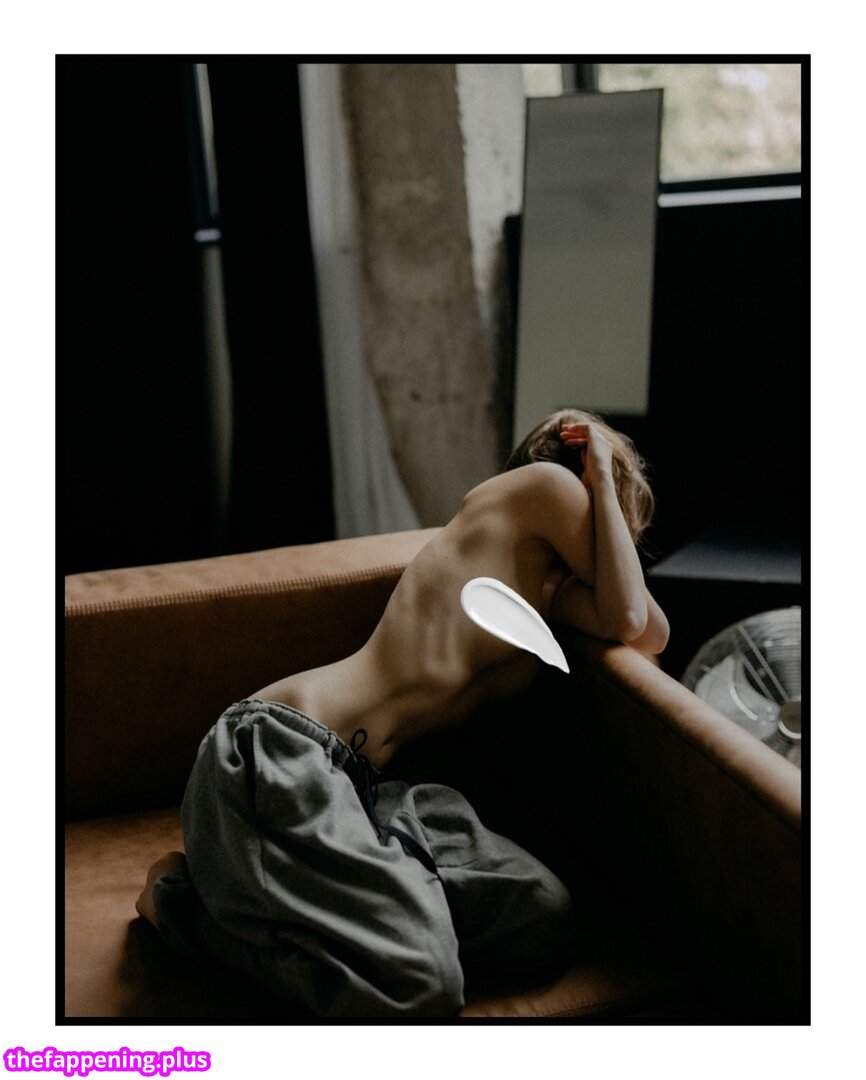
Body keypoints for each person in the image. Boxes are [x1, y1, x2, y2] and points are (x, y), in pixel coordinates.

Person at [136, 409, 669, 1017]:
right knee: (425, 984)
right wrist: (600, 474)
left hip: (369, 791)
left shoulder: (545, 592)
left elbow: (648, 630)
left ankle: (393, 915)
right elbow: (631, 615)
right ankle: (181, 906)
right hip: (285, 750)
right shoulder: (546, 487)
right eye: (622, 527)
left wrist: (603, 530)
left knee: (539, 916)